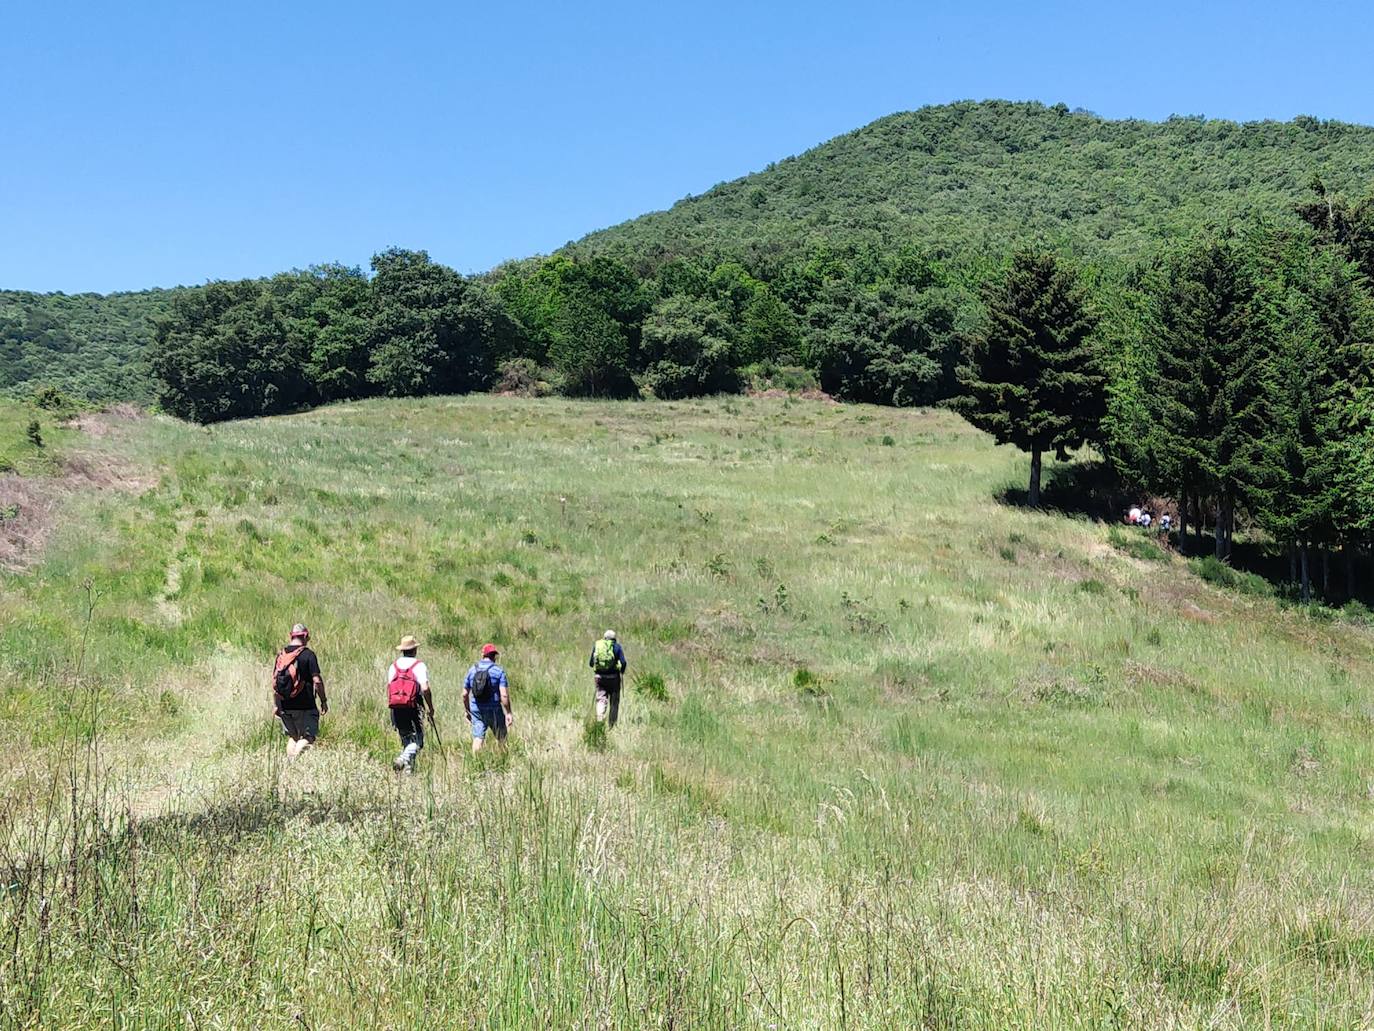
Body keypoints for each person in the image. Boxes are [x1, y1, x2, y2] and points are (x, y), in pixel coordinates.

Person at [271, 623, 327, 759]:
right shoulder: (308, 655)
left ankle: (290, 765)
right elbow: (317, 681)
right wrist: (323, 701)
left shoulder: (281, 655)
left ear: (291, 636)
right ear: (306, 636)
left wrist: (277, 705)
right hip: (305, 705)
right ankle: (295, 759)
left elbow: (275, 681)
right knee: (309, 737)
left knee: (293, 737)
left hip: (285, 704)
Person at [386, 634, 434, 773]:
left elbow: (389, 688)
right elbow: (425, 688)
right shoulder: (418, 666)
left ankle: (408, 774)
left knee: (406, 740)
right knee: (418, 742)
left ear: (403, 650)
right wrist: (430, 707)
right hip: (413, 707)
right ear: (414, 650)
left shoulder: (393, 666)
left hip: (396, 707)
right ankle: (402, 759)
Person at [464, 644, 513, 753]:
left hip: (476, 709)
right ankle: (503, 761)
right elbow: (504, 695)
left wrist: (467, 710)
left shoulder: (472, 670)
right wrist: (508, 712)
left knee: (478, 737)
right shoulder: (499, 671)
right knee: (501, 737)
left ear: (483, 655)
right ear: (494, 656)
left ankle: (475, 763)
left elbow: (464, 694)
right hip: (494, 709)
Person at [589, 630, 628, 727]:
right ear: (614, 639)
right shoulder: (617, 647)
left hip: (600, 678)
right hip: (614, 678)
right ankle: (612, 724)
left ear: (604, 637)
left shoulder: (597, 646)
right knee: (614, 702)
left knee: (601, 699)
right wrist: (621, 671)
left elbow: (591, 663)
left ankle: (600, 720)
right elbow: (623, 662)